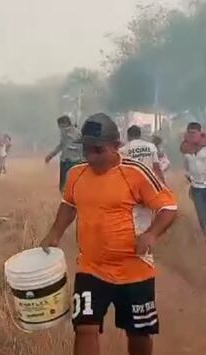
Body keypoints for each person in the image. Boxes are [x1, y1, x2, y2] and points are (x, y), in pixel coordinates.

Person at [40, 113, 178, 355]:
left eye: (98, 150)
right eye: (86, 150)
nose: (91, 157)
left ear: (117, 146)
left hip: (135, 269)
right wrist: (55, 233)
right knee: (84, 327)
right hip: (91, 268)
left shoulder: (136, 173)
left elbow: (168, 207)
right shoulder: (76, 174)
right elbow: (69, 204)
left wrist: (151, 235)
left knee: (138, 331)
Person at [45, 115, 83, 192]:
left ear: (65, 123)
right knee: (63, 182)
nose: (60, 128)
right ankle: (64, 195)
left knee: (74, 181)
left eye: (61, 125)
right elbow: (62, 145)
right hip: (65, 159)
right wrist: (51, 155)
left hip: (75, 160)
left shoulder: (77, 132)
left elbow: (81, 145)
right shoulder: (64, 133)